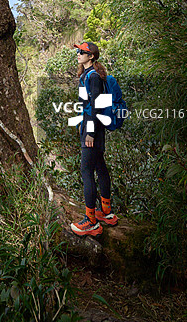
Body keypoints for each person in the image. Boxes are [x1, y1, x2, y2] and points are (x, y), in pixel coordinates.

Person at [70, 41, 119, 237]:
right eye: (78, 51)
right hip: (95, 128)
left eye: (82, 52)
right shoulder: (88, 75)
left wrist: (89, 131)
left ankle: (91, 221)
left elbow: (96, 106)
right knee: (100, 166)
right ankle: (106, 212)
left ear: (91, 56)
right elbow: (86, 105)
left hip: (93, 129)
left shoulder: (93, 77)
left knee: (86, 171)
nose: (78, 54)